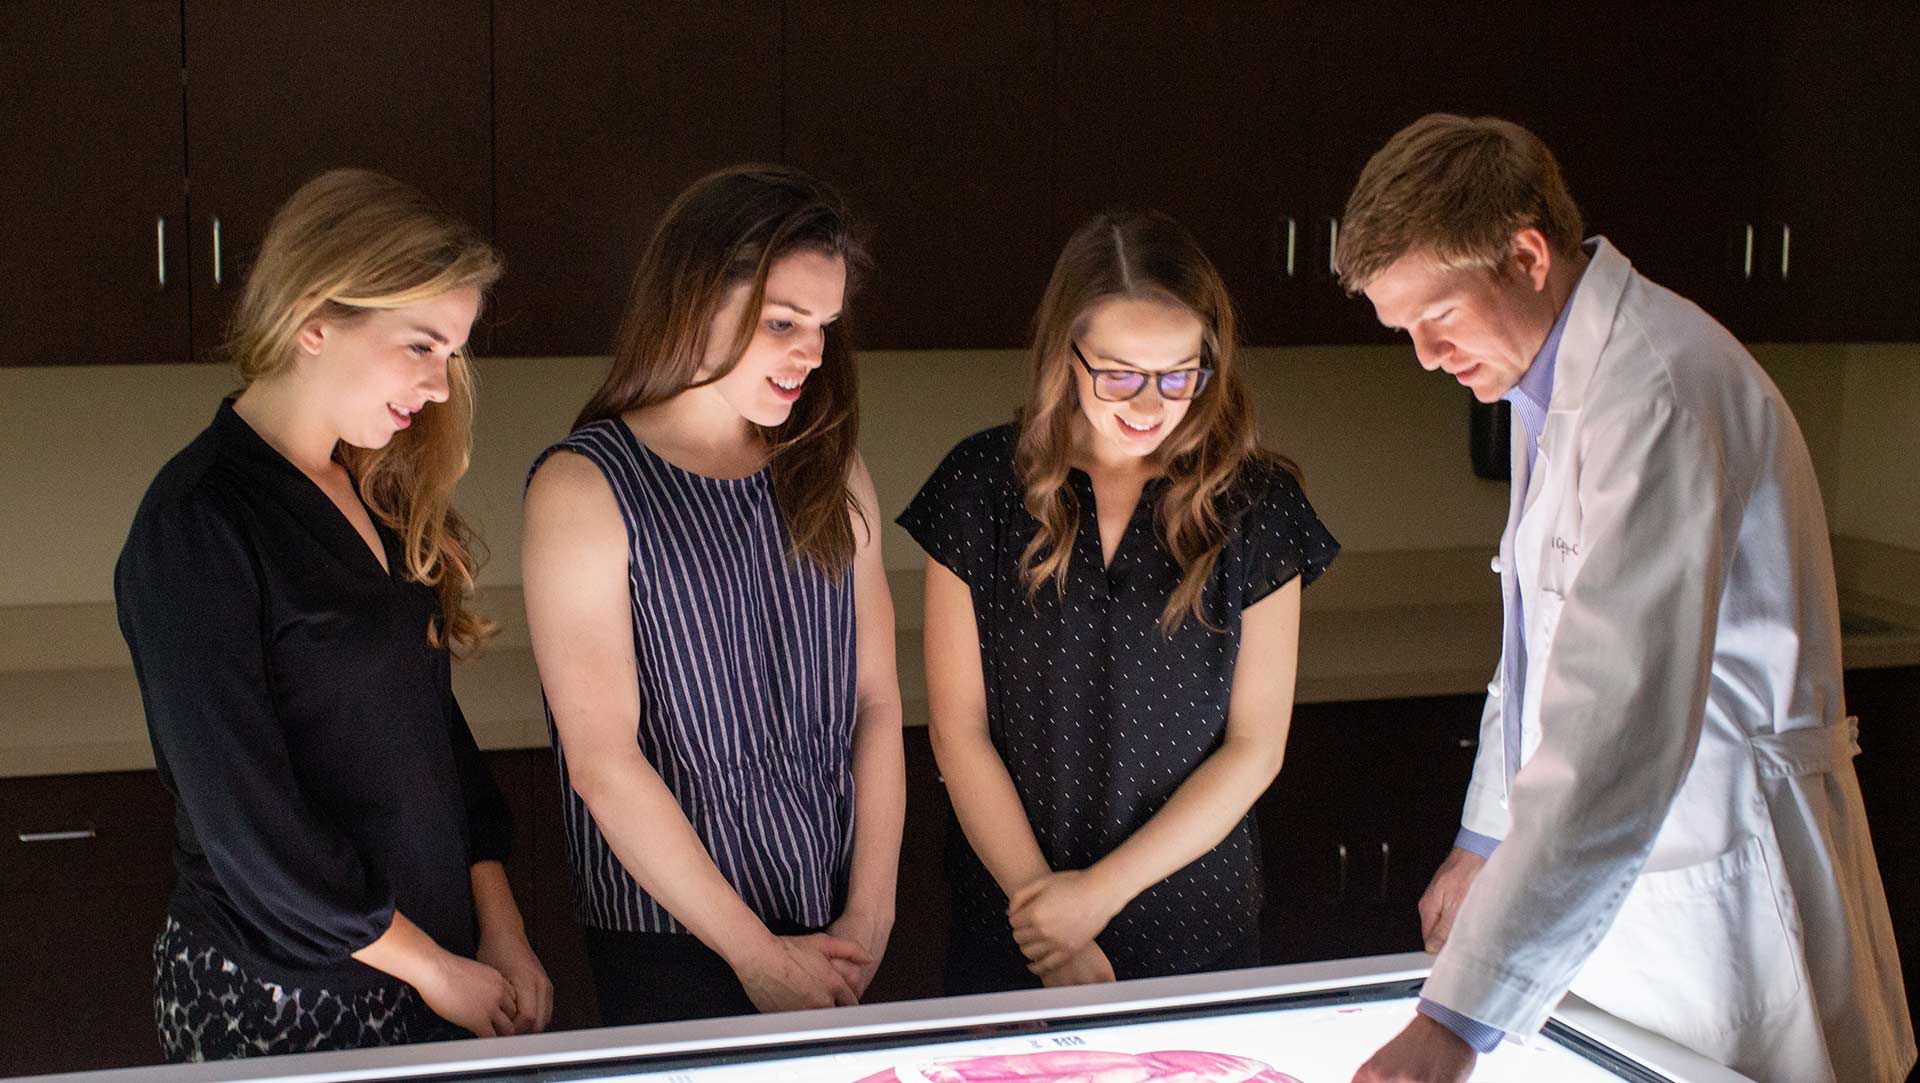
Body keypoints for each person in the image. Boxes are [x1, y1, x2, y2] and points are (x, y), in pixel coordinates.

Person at [1335, 115, 1915, 1083]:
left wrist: (1456, 1020)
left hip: (1722, 887)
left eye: (1437, 320)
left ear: (1525, 255)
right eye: (1405, 334)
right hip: (1624, 893)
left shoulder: (1656, 391)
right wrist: (1486, 837)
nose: (1427, 359)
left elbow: (1614, 728)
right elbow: (1539, 639)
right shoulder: (1549, 379)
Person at [116, 169, 552, 1061]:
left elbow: (436, 739)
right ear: (315, 317)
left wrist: (496, 928)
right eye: (421, 345)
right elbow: (251, 831)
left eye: (452, 354)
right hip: (286, 996)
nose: (439, 386)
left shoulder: (374, 490)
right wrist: (433, 966)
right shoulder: (197, 526)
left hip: (434, 972)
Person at [899, 210, 1337, 994]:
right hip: (1014, 922)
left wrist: (1096, 897)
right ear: (1064, 354)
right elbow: (959, 735)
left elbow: (1254, 748)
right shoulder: (976, 488)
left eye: (1180, 373)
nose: (1151, 402)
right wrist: (1052, 928)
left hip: (1196, 927)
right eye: (1119, 374)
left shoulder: (1259, 506)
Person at [521, 165, 903, 1025]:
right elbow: (602, 762)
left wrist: (871, 913)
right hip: (670, 939)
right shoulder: (583, 487)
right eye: (781, 321)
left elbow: (876, 701)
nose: (810, 352)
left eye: (823, 326)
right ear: (693, 298)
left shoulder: (830, 465)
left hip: (834, 916)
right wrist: (756, 956)